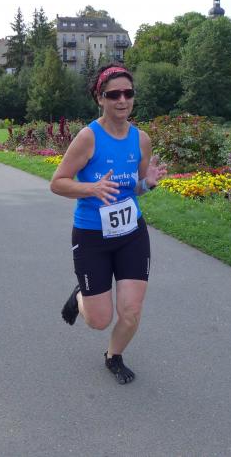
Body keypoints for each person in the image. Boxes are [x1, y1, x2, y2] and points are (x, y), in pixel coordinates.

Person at [50, 63, 167, 385]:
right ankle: (81, 297)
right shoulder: (88, 138)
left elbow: (135, 188)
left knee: (131, 311)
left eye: (128, 93)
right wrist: (92, 188)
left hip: (131, 233)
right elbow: (57, 183)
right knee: (99, 320)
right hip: (92, 236)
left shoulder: (141, 139)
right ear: (100, 98)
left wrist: (148, 184)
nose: (122, 100)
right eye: (114, 94)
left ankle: (113, 356)